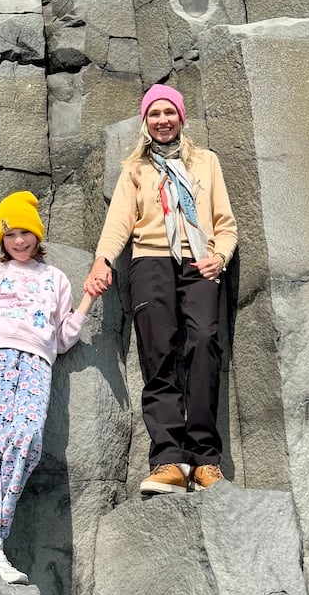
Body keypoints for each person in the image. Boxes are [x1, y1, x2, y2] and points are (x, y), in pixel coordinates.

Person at [85, 85, 237, 496]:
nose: (163, 120)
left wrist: (219, 256)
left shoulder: (206, 163)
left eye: (170, 112)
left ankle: (205, 460)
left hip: (198, 262)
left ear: (181, 118)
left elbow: (226, 224)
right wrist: (102, 260)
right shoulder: (135, 169)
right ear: (146, 121)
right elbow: (119, 223)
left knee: (204, 344)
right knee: (158, 354)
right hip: (150, 261)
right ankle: (169, 459)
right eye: (154, 114)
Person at [0, 191, 98, 583]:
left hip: (36, 362)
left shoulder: (55, 278)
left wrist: (87, 302)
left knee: (26, 440)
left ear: (37, 234)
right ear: (2, 237)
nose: (19, 241)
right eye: (11, 233)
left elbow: (62, 337)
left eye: (26, 233)